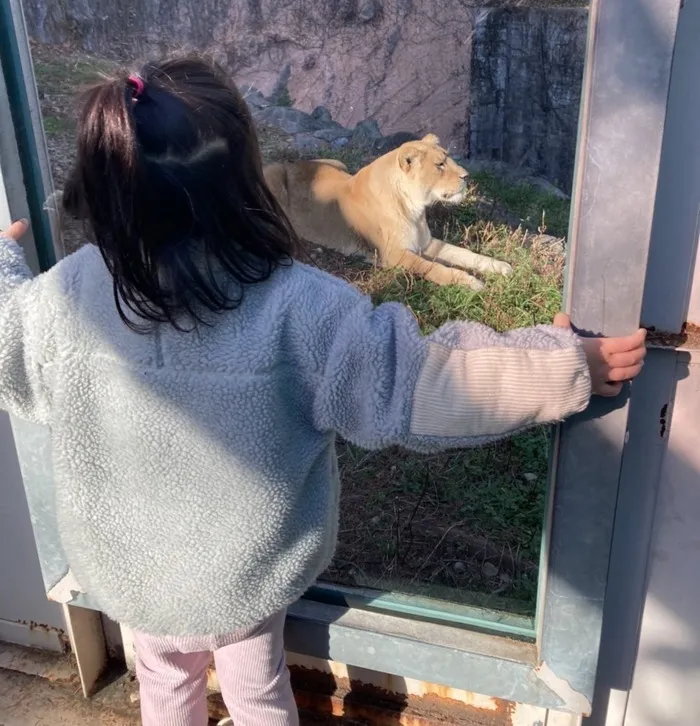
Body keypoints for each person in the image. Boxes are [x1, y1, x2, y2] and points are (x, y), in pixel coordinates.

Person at [0, 55, 646, 726]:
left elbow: (3, 339)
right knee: (257, 693)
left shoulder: (64, 299)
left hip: (136, 586)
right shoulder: (297, 307)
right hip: (243, 585)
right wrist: (564, 362)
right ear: (243, 177)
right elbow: (423, 387)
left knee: (165, 686)